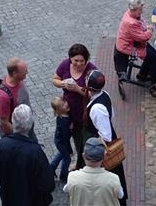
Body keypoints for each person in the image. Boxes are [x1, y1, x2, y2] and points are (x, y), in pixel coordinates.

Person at [0, 105, 55, 206]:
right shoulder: (35, 152)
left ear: (13, 121)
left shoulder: (1, 145)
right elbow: (48, 184)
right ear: (31, 125)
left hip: (9, 198)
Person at [83, 70, 128, 206]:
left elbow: (106, 135)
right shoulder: (104, 94)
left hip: (100, 144)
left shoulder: (97, 108)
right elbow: (112, 115)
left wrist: (93, 140)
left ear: (89, 86)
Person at [53, 44, 96, 168]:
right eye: (75, 60)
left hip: (81, 116)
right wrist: (62, 84)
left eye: (82, 61)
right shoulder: (65, 64)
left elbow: (93, 95)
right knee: (63, 142)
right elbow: (55, 79)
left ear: (86, 59)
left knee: (80, 143)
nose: (78, 64)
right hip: (65, 113)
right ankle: (57, 165)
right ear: (70, 59)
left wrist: (77, 89)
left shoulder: (91, 70)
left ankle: (80, 164)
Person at [64, 137, 123, 206]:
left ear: (83, 156)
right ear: (104, 157)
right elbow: (120, 195)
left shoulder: (72, 177)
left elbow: (66, 189)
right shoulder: (114, 179)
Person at [114, 0, 156, 83]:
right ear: (133, 10)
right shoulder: (131, 23)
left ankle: (142, 74)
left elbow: (140, 26)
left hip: (134, 43)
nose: (141, 12)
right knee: (155, 58)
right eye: (140, 10)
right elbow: (143, 37)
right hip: (129, 47)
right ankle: (155, 82)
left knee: (153, 54)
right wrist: (150, 30)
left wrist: (146, 28)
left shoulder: (130, 14)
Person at [0, 57, 33, 137]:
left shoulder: (18, 80)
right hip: (18, 136)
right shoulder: (3, 97)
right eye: (24, 71)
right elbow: (4, 123)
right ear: (15, 73)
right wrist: (21, 135)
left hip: (27, 128)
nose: (27, 72)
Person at [49, 96, 73, 183]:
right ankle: (63, 175)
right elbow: (66, 137)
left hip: (59, 141)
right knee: (67, 158)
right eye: (62, 105)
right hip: (62, 142)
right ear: (59, 110)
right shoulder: (64, 121)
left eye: (64, 102)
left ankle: (51, 167)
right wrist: (69, 150)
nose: (66, 105)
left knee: (61, 154)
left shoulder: (63, 116)